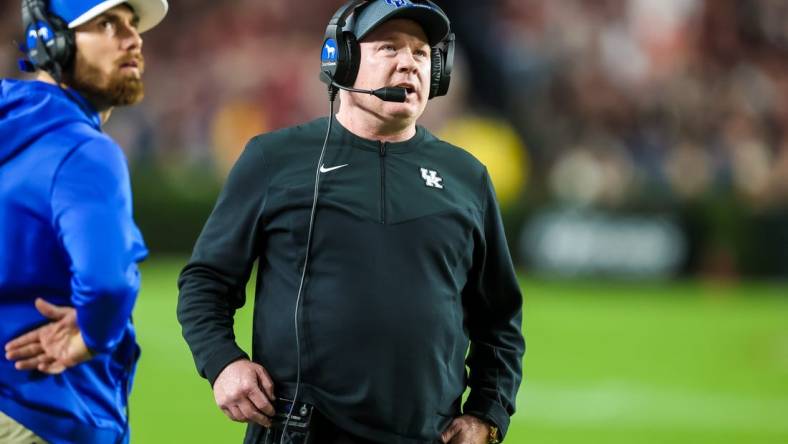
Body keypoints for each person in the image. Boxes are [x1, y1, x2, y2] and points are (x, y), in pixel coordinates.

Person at [177, 1, 524, 443]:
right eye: (389, 48)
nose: (409, 63)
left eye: (421, 53)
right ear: (339, 60)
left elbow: (499, 320)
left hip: (427, 436)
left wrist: (487, 414)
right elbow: (206, 282)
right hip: (297, 432)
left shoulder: (466, 176)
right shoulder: (273, 159)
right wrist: (223, 363)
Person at [0, 0, 167, 443]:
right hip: (48, 413)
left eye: (131, 25)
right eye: (107, 24)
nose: (133, 39)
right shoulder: (84, 149)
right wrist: (91, 334)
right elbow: (107, 283)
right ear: (47, 41)